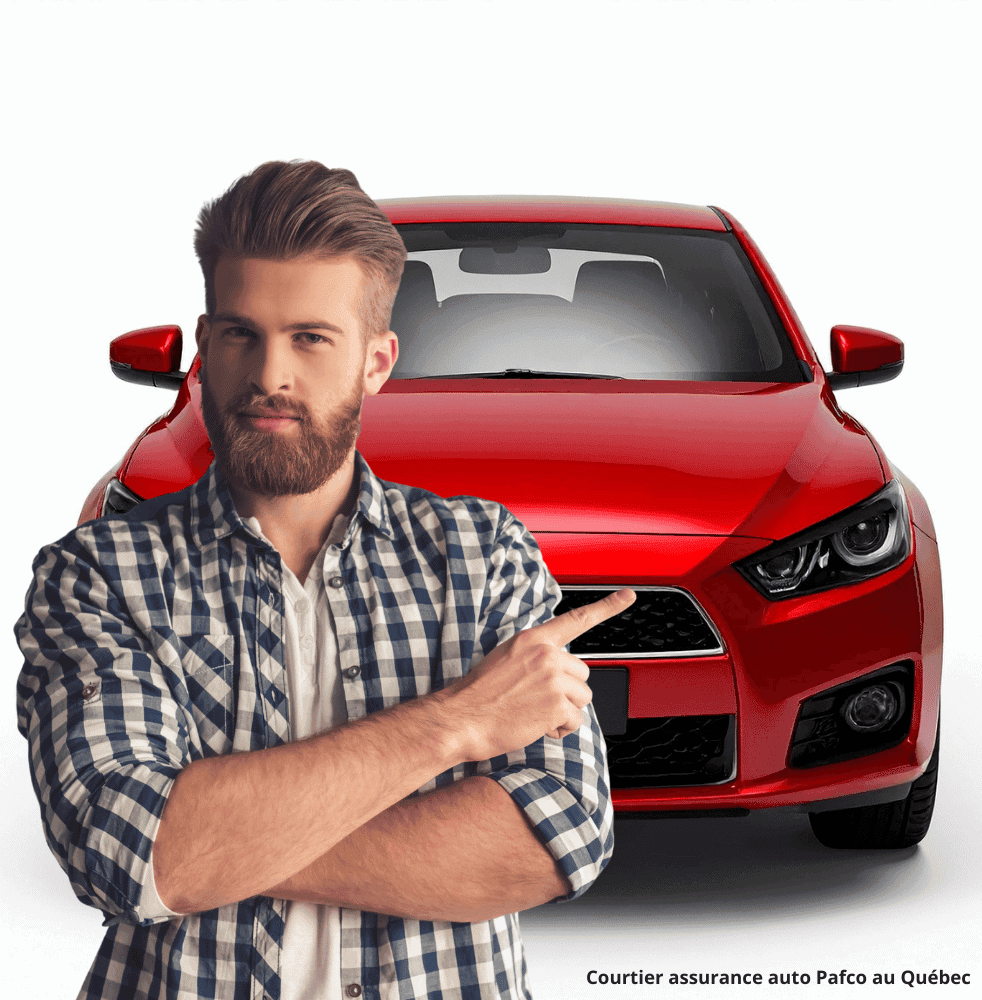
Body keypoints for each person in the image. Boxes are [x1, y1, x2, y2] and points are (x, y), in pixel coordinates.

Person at [16, 160, 631, 1000]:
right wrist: (457, 724)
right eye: (241, 334)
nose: (271, 376)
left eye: (310, 338)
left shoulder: (483, 557)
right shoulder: (98, 574)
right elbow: (130, 854)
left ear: (376, 362)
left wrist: (222, 846)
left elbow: (555, 841)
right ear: (204, 348)